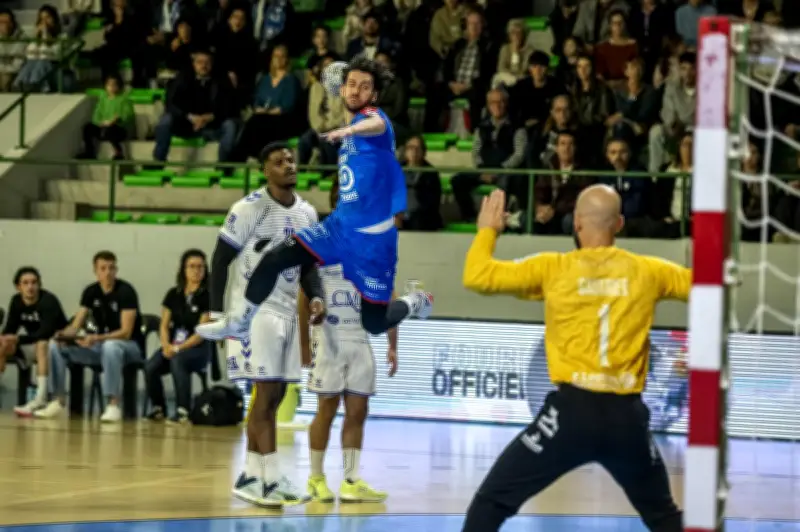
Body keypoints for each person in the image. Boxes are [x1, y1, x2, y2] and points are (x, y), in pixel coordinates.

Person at [460, 186, 688, 532]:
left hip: (571, 415)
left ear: (576, 223)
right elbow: (712, 288)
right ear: (620, 224)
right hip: (627, 419)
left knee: (492, 502)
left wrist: (488, 230)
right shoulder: (650, 271)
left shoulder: (555, 268)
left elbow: (476, 276)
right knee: (664, 516)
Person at [196, 57, 433, 343]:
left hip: (372, 241)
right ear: (343, 90)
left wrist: (349, 129)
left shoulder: (377, 123)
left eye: (365, 87)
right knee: (273, 258)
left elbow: (375, 124)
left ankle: (416, 301)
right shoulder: (350, 120)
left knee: (374, 322)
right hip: (338, 228)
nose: (357, 90)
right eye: (351, 85)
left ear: (375, 95)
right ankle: (241, 321)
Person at [206, 141, 323, 508]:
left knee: (277, 395)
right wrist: (215, 315)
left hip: (288, 310)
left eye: (291, 159)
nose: (289, 165)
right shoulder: (248, 208)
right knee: (266, 392)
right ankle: (272, 479)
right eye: (279, 161)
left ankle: (251, 475)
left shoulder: (307, 213)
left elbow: (308, 266)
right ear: (264, 170)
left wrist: (315, 295)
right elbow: (219, 261)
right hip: (254, 311)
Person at [304, 187, 399, 504]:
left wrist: (392, 344)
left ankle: (350, 479)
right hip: (329, 336)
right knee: (326, 409)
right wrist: (305, 344)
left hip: (359, 336)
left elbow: (388, 293)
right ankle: (316, 478)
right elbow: (304, 292)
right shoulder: (320, 240)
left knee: (358, 410)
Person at [144, 249, 212, 424]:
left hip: (197, 349)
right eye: (192, 266)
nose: (196, 270)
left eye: (200, 267)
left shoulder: (208, 296)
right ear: (183, 269)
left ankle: (183, 410)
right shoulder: (173, 294)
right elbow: (164, 324)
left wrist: (177, 349)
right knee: (151, 366)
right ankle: (159, 408)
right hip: (173, 345)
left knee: (178, 360)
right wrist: (166, 345)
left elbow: (201, 333)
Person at [0, 267, 68, 416]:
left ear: (39, 285)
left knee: (42, 344)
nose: (30, 287)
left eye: (34, 282)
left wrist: (18, 338)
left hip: (55, 346)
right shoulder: (17, 301)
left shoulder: (48, 301)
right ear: (18, 287)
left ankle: (40, 398)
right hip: (32, 344)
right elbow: (10, 328)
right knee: (2, 344)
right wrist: (4, 339)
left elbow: (46, 332)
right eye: (25, 283)